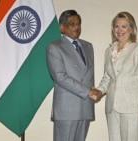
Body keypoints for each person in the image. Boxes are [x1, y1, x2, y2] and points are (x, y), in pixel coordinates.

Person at [46, 9, 102, 141]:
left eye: (78, 23)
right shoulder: (54, 47)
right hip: (67, 109)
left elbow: (88, 75)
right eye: (72, 23)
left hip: (85, 106)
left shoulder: (88, 46)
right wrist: (88, 91)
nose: (76, 27)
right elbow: (60, 77)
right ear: (62, 27)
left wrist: (95, 92)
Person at [96, 11, 138, 141]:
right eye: (116, 26)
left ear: (131, 29)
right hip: (112, 107)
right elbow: (107, 77)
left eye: (124, 26)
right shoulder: (109, 51)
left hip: (133, 108)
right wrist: (98, 91)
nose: (119, 30)